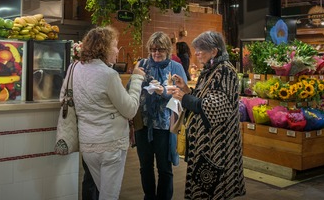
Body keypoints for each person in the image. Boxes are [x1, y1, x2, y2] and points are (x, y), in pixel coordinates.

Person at [169, 31, 246, 199]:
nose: (196, 53)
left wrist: (185, 98)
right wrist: (186, 90)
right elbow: (203, 98)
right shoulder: (211, 70)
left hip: (218, 146)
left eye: (200, 50)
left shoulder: (224, 71)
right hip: (207, 146)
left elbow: (215, 108)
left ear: (214, 51)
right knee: (203, 189)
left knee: (213, 191)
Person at [74, 26, 144, 200]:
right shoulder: (109, 75)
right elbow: (130, 109)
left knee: (101, 190)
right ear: (103, 48)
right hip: (110, 144)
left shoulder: (76, 68)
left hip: (88, 144)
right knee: (109, 195)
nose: (117, 50)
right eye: (115, 45)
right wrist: (136, 79)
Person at [134, 31, 187, 200]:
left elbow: (183, 94)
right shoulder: (142, 65)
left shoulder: (175, 67)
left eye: (161, 50)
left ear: (168, 50)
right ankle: (149, 196)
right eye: (153, 49)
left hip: (164, 126)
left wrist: (163, 92)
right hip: (144, 125)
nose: (156, 53)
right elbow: (131, 90)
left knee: (164, 167)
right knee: (145, 166)